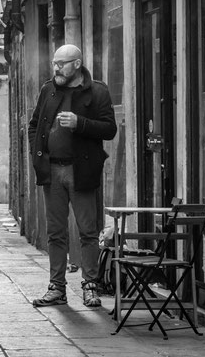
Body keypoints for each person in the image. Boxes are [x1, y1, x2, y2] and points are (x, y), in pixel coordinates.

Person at [28, 44, 117, 307]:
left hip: (81, 171)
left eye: (62, 63)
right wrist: (37, 155)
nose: (56, 67)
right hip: (51, 171)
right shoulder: (48, 89)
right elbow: (34, 125)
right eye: (54, 62)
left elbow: (110, 129)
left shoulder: (97, 91)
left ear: (77, 64)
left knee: (87, 231)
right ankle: (57, 288)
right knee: (55, 232)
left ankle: (90, 286)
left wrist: (80, 124)